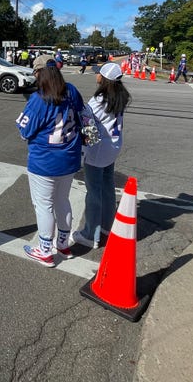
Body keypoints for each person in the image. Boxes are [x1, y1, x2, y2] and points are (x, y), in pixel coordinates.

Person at [15, 54, 85, 267]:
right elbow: (83, 114)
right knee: (62, 200)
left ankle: (45, 250)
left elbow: (24, 130)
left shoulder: (39, 98)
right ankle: (63, 244)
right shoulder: (71, 90)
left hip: (45, 160)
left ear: (39, 74)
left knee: (44, 205)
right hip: (70, 156)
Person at [73, 62, 131, 249]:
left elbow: (86, 119)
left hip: (98, 150)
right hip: (112, 147)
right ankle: (107, 225)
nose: (96, 76)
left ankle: (91, 234)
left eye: (98, 73)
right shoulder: (120, 96)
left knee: (94, 192)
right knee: (107, 187)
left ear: (104, 78)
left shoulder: (99, 100)